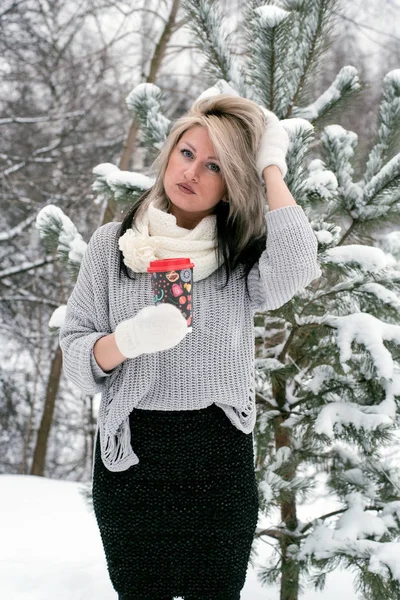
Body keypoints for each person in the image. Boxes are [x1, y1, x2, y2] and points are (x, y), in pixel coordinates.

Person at [59, 93, 321, 600]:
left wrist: (270, 167)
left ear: (230, 187)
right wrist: (126, 341)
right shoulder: (111, 245)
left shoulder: (240, 254)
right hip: (132, 457)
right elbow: (76, 358)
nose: (192, 172)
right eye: (187, 153)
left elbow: (297, 264)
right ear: (169, 152)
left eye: (215, 166)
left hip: (217, 458)